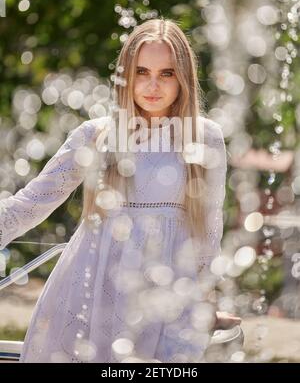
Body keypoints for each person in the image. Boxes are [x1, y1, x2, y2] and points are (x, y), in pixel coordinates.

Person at [0, 18, 240, 363]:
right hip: (90, 291)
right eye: (142, 72)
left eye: (166, 73)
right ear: (126, 74)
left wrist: (205, 303)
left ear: (183, 77)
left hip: (164, 295)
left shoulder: (205, 136)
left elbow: (208, 230)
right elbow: (34, 202)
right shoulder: (95, 134)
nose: (152, 85)